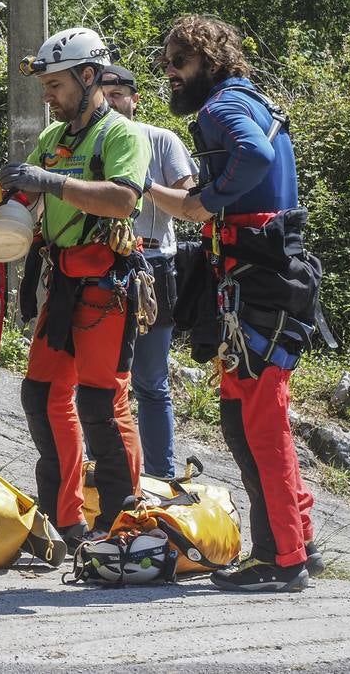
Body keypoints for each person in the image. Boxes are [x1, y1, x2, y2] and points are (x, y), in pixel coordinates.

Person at [144, 14, 324, 593]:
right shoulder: (249, 99)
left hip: (257, 283)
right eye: (166, 62)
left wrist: (207, 202)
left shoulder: (222, 108)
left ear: (210, 62)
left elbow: (258, 159)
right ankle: (299, 539)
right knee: (241, 412)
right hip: (258, 277)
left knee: (259, 420)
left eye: (179, 62)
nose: (169, 72)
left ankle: (284, 558)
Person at [0, 28, 151, 544]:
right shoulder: (52, 139)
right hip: (63, 283)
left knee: (101, 405)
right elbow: (26, 201)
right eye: (46, 86)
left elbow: (122, 200)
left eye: (57, 85)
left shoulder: (122, 135)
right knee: (40, 394)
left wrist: (51, 183)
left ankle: (120, 523)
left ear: (90, 78)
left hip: (106, 286)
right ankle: (65, 520)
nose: (48, 96)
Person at [100, 64, 198, 479]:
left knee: (151, 381)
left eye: (119, 93)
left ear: (135, 99)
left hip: (154, 266)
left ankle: (160, 475)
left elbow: (191, 204)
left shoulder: (161, 140)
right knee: (102, 380)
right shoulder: (90, 142)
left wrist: (143, 185)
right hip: (103, 263)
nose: (111, 101)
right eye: (104, 93)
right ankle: (107, 470)